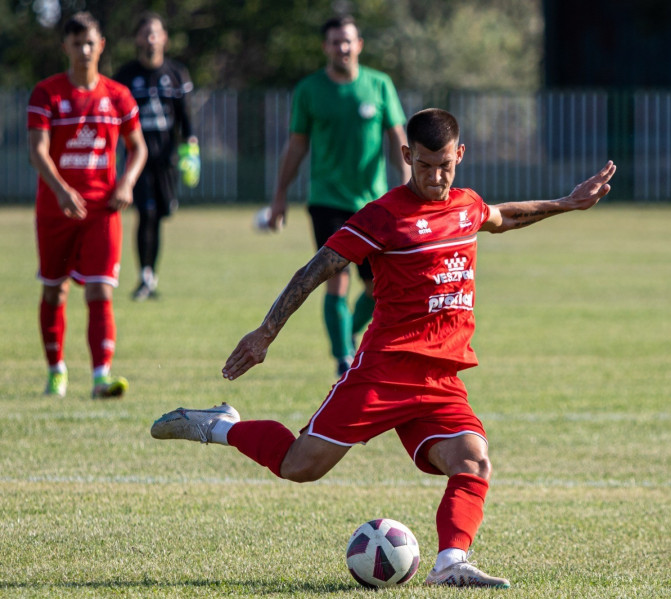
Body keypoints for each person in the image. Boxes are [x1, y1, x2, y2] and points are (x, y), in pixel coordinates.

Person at [151, 108, 616, 587]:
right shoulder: (383, 216)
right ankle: (223, 426)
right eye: (424, 166)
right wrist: (265, 332)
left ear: (459, 155)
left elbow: (503, 216)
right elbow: (314, 272)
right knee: (299, 466)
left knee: (473, 460)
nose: (435, 177)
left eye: (444, 166)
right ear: (406, 155)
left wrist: (567, 202)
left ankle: (451, 562)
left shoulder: (467, 205)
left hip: (440, 379)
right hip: (384, 373)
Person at [267, 15, 410, 376]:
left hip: (373, 203)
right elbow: (297, 145)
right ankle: (343, 357)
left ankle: (348, 337)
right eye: (335, 42)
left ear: (359, 44)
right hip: (327, 201)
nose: (342, 47)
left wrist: (409, 185)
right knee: (337, 278)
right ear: (325, 47)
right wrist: (280, 194)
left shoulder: (379, 85)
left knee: (378, 286)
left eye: (347, 41)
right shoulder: (310, 90)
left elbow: (398, 138)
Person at [27, 11, 147, 398]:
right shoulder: (47, 93)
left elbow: (138, 146)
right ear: (65, 46)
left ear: (101, 46)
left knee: (100, 291)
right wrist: (61, 190)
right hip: (56, 209)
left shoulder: (118, 96)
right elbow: (37, 149)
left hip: (102, 210)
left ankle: (100, 377)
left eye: (90, 42)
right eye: (76, 43)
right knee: (54, 291)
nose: (84, 50)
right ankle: (56, 371)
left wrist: (126, 182)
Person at [114, 11, 198, 301]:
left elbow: (186, 118)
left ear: (165, 39)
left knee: (161, 214)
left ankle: (150, 273)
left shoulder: (176, 74)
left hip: (168, 160)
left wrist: (191, 151)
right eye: (145, 33)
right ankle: (145, 276)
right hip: (138, 160)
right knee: (146, 213)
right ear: (138, 38)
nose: (150, 39)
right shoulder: (125, 76)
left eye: (156, 33)